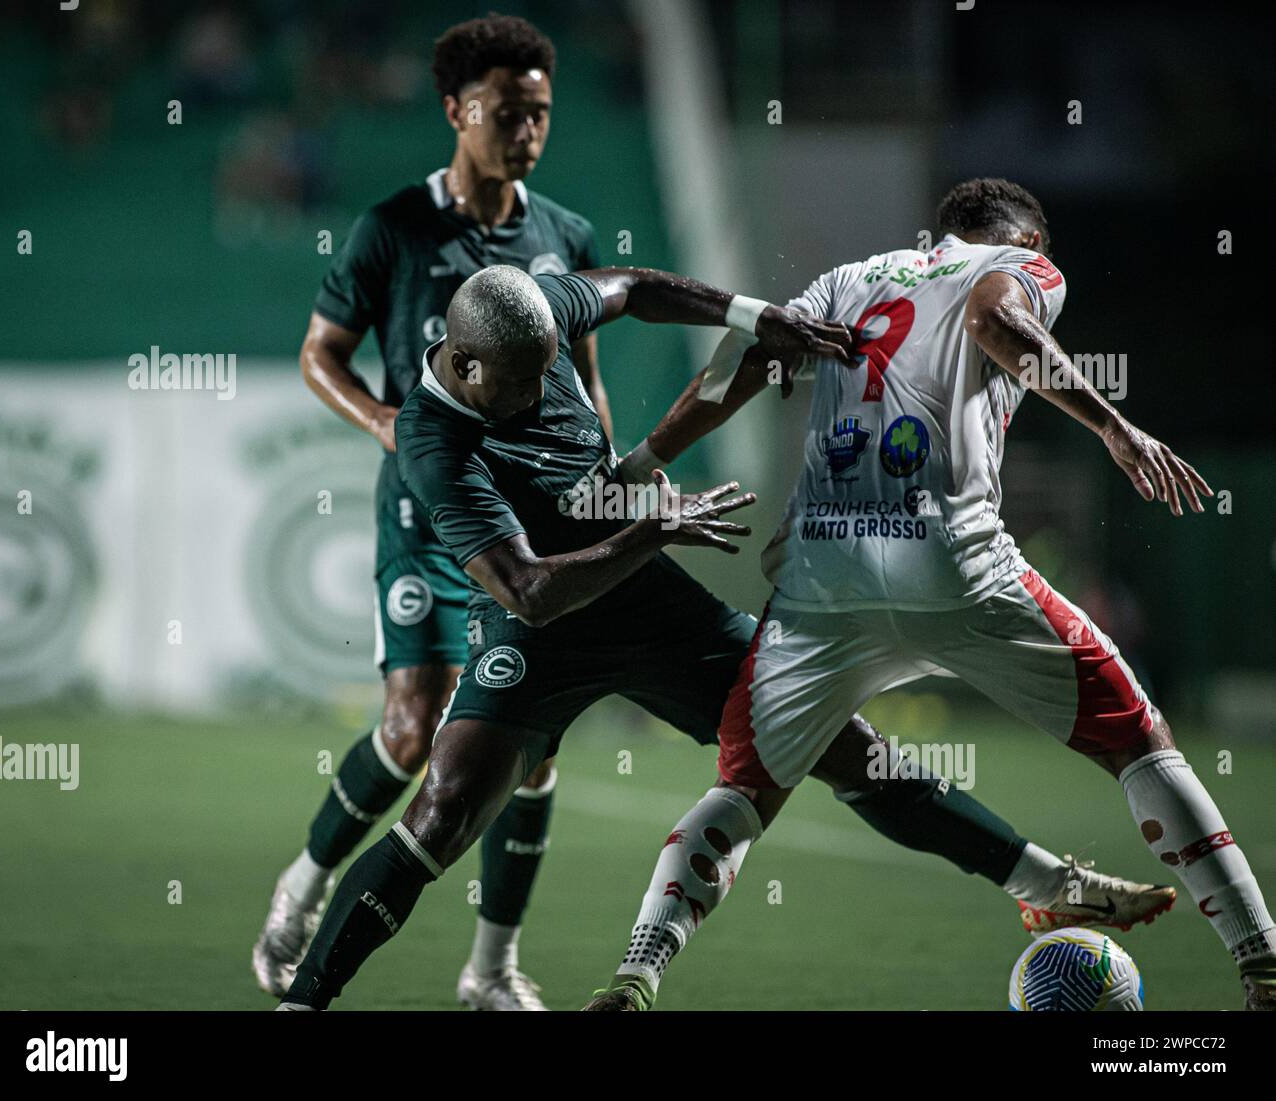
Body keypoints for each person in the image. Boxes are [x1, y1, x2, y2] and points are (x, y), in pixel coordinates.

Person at [277, 262, 1173, 1011]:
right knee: (439, 816)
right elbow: (529, 590)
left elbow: (630, 285)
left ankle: (1050, 886)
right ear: (467, 368)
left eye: (550, 367)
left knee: (842, 743)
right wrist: (650, 530)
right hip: (537, 630)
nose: (542, 390)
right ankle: (302, 1001)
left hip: (647, 606)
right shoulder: (432, 442)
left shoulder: (529, 321)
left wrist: (755, 316)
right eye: (521, 385)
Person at [584, 178, 1274, 1011]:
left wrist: (640, 464)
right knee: (1139, 739)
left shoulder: (845, 280)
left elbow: (749, 363)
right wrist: (1113, 426)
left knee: (743, 789)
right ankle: (1262, 961)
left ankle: (636, 974)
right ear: (1027, 241)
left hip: (821, 578)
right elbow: (992, 320)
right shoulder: (1025, 266)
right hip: (957, 566)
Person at [253, 14, 609, 1010]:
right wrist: (377, 417)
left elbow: (582, 381)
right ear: (457, 111)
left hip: (531, 522)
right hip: (427, 513)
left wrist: (605, 482)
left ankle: (490, 971)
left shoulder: (564, 237)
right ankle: (305, 884)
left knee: (529, 749)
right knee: (412, 732)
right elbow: (319, 350)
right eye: (507, 112)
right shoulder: (393, 229)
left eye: (540, 113)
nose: (527, 131)